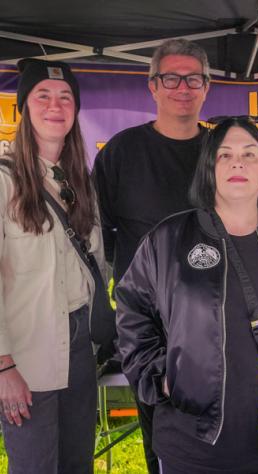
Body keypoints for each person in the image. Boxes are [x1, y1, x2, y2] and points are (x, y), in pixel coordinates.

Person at [115, 117, 258, 474]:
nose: (237, 162)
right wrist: (160, 378)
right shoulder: (169, 240)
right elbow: (132, 315)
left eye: (249, 154)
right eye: (224, 155)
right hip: (192, 445)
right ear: (209, 170)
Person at [92, 38, 210, 473]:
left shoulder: (223, 152)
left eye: (193, 78)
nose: (183, 87)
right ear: (152, 86)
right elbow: (96, 240)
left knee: (223, 439)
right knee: (161, 446)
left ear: (206, 86)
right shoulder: (121, 152)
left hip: (220, 323)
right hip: (150, 332)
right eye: (171, 78)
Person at [0, 58, 104, 473]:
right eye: (42, 95)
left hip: (79, 346)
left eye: (65, 97)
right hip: (25, 354)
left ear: (76, 110)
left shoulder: (79, 181)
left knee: (78, 464)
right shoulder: (5, 181)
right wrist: (3, 366)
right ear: (25, 107)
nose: (54, 105)